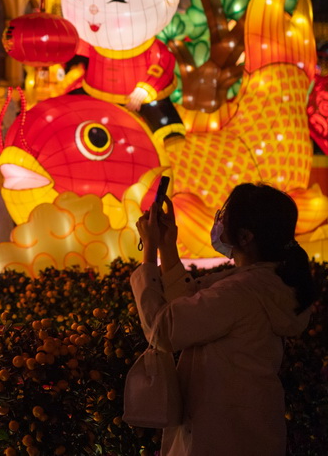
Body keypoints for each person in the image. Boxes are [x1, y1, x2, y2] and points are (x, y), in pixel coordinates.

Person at [130, 182, 316, 456]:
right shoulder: (266, 281)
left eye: (225, 214)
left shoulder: (241, 291)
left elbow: (164, 331)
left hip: (218, 435)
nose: (219, 220)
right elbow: (190, 304)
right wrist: (167, 247)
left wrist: (148, 254)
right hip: (245, 431)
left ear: (245, 237)